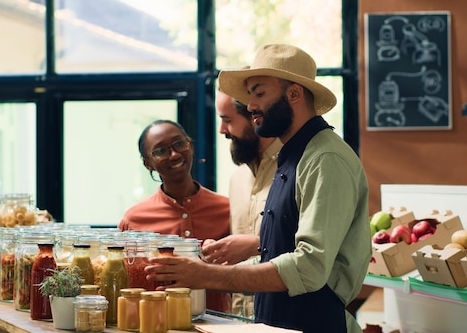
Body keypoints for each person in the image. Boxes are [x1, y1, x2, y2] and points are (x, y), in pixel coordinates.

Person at [146, 44, 371, 333]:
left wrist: (209, 275)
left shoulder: (325, 158)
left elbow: (309, 267)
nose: (250, 105)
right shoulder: (294, 155)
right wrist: (254, 246)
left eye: (259, 93)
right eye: (250, 94)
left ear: (294, 94)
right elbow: (289, 241)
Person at [118, 119, 231, 313]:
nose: (174, 154)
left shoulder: (226, 209)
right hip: (155, 323)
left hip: (218, 325)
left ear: (190, 145)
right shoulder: (134, 219)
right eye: (160, 151)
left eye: (179, 143)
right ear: (148, 163)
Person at [201, 89, 283, 317]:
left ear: (255, 117)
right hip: (240, 319)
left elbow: (313, 253)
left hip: (285, 320)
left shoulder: (296, 169)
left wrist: (257, 244)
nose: (222, 130)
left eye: (227, 120)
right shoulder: (237, 179)